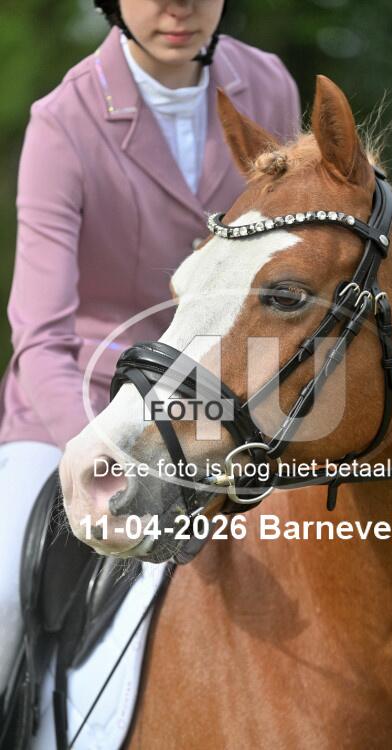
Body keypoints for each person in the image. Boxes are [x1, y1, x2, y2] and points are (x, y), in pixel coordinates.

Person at [0, 0, 300, 706]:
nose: (179, 6)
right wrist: (102, 447)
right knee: (4, 599)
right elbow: (40, 336)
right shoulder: (63, 122)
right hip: (86, 405)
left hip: (232, 410)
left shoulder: (269, 85)